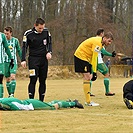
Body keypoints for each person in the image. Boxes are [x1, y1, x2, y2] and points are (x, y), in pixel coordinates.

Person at [74, 32, 114, 106]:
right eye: (109, 41)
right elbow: (94, 58)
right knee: (87, 77)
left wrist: (93, 71)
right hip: (81, 57)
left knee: (88, 77)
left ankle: (88, 101)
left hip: (85, 58)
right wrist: (94, 72)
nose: (110, 43)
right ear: (104, 38)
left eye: (111, 41)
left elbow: (95, 57)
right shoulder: (98, 43)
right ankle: (88, 102)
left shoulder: (101, 43)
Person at [21, 18, 52, 102]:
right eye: (39, 28)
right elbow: (24, 47)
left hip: (43, 60)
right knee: (33, 79)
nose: (41, 30)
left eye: (42, 28)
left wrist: (49, 52)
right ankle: (31, 100)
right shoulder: (28, 34)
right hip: (33, 60)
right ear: (35, 26)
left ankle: (41, 101)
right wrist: (23, 59)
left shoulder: (46, 32)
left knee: (43, 80)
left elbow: (49, 43)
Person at [90, 28, 116, 97]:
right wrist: (111, 55)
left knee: (90, 76)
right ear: (101, 34)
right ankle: (107, 91)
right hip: (98, 61)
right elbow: (103, 51)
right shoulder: (99, 41)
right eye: (109, 41)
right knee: (106, 74)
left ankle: (88, 92)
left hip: (91, 60)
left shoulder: (93, 39)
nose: (109, 43)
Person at [4, 26, 22, 97]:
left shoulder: (15, 41)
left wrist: (22, 59)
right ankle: (9, 95)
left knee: (13, 76)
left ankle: (12, 94)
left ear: (11, 33)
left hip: (13, 61)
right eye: (5, 33)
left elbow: (19, 50)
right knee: (7, 79)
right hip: (5, 61)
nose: (6, 35)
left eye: (7, 33)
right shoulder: (2, 41)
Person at [0, 97, 84, 110]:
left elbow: (15, 108)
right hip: (30, 101)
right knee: (48, 103)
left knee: (53, 107)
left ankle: (73, 103)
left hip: (32, 105)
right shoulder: (3, 99)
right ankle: (67, 102)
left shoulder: (4, 103)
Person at [0, 32, 14, 98]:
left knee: (0, 80)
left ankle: (1, 99)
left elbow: (6, 48)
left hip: (1, 62)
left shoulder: (2, 36)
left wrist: (11, 58)